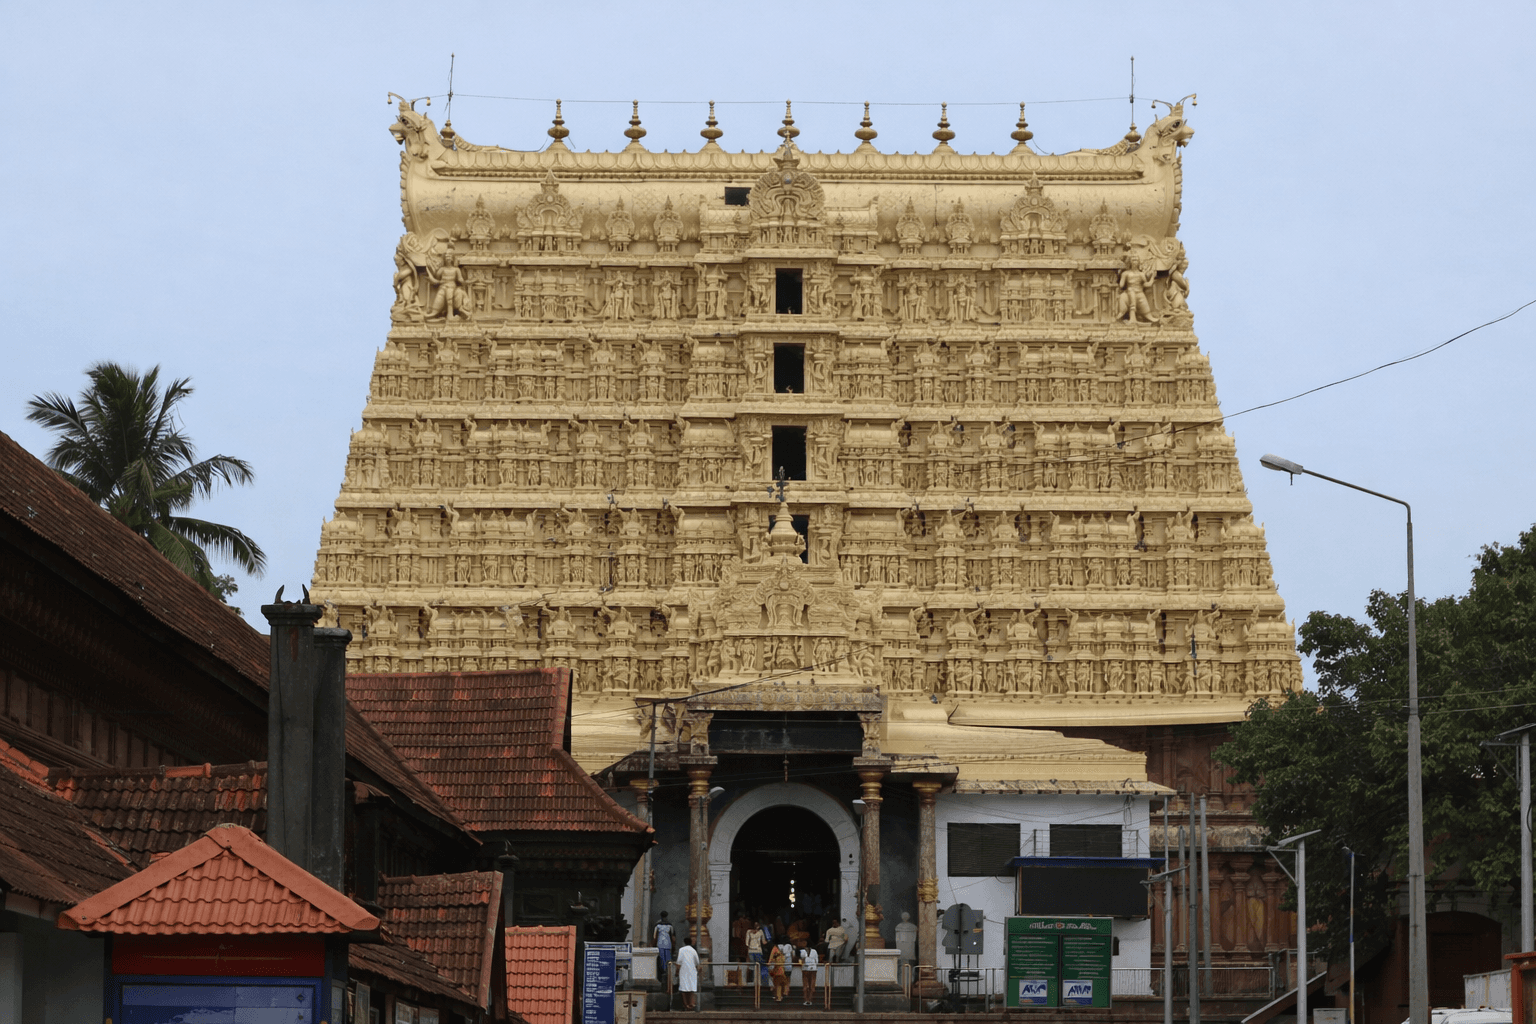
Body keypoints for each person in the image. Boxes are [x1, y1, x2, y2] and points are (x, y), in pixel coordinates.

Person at [675, 939, 699, 1010]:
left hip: (684, 971)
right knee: (691, 988)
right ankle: (691, 1004)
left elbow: (679, 963)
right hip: (692, 971)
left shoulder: (681, 950)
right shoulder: (694, 951)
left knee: (684, 989)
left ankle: (686, 1004)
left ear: (684, 942)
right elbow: (697, 963)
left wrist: (676, 972)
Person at [653, 911, 674, 977]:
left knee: (662, 958)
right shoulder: (670, 925)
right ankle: (668, 972)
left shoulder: (657, 925)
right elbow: (672, 936)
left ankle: (663, 972)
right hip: (668, 944)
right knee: (668, 958)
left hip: (660, 944)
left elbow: (654, 936)